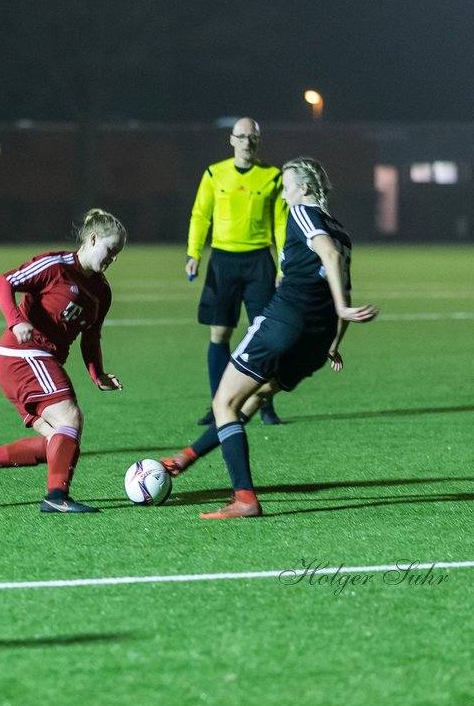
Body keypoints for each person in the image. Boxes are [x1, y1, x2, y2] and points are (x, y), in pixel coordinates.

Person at [161, 158, 377, 519]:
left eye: (287, 185)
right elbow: (343, 280)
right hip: (317, 341)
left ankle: (244, 498)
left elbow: (329, 255)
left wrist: (341, 309)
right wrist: (336, 340)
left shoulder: (304, 214)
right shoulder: (342, 230)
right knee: (253, 399)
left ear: (304, 189)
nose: (283, 192)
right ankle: (187, 456)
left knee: (223, 403)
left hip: (284, 322)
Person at [0, 209, 126, 514]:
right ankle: (56, 496)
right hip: (23, 355)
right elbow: (3, 282)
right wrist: (15, 321)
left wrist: (97, 373)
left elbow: (91, 337)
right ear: (92, 238)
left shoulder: (101, 292)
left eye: (118, 253)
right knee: (70, 417)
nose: (113, 258)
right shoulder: (56, 266)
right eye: (110, 249)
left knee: (59, 440)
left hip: (38, 361)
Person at [186, 117, 289, 426]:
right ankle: (220, 405)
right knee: (220, 334)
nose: (247, 141)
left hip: (259, 261)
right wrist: (194, 253)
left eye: (253, 137)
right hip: (222, 261)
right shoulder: (214, 174)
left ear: (259, 141)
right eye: (242, 136)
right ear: (231, 140)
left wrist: (283, 265)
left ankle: (264, 405)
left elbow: (282, 223)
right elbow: (200, 215)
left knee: (266, 337)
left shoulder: (272, 176)